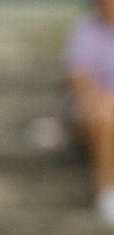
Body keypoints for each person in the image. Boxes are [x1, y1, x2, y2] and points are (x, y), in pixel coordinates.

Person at [65, 0, 114, 223]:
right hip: (93, 108)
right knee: (104, 115)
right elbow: (80, 81)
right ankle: (105, 193)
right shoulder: (84, 30)